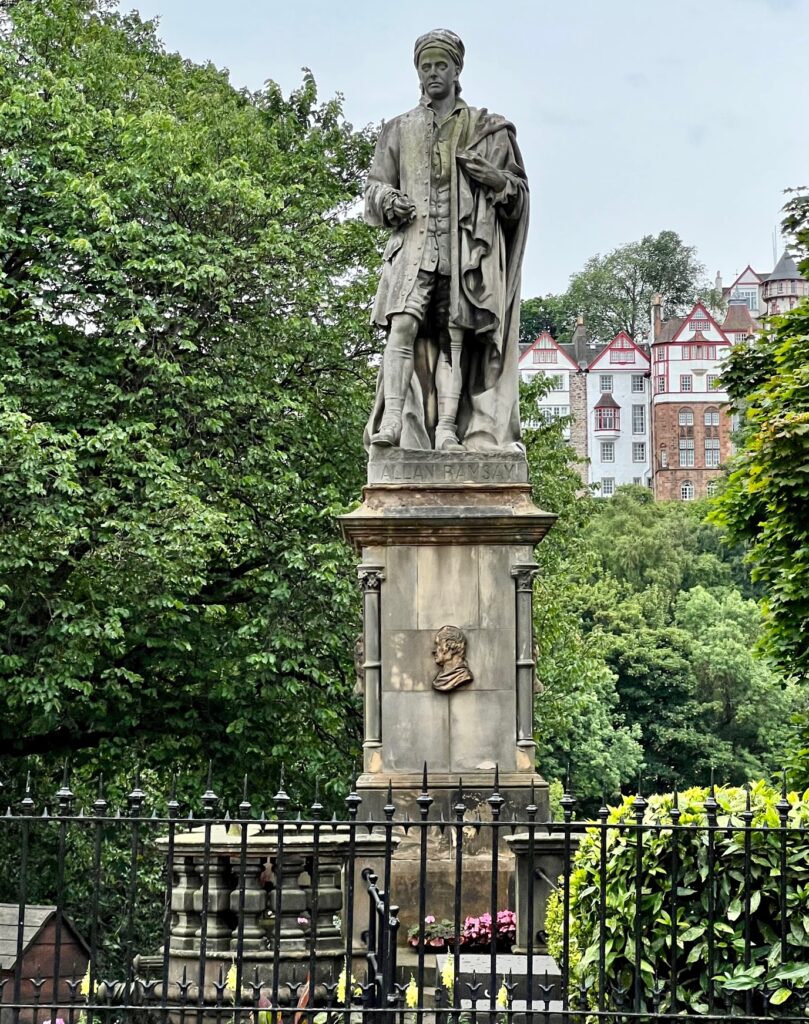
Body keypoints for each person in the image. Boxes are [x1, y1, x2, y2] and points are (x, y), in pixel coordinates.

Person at [364, 28, 529, 453]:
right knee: (402, 329)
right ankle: (394, 422)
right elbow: (374, 189)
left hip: (460, 254)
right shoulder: (398, 129)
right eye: (426, 66)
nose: (433, 72)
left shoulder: (485, 129)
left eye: (441, 65)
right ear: (417, 73)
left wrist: (492, 179)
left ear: (457, 70)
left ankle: (448, 430)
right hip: (412, 253)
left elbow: (516, 197)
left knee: (453, 339)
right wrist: (389, 201)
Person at [431, 625, 473, 692]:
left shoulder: (463, 676)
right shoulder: (439, 680)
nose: (434, 651)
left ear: (451, 647)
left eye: (438, 645)